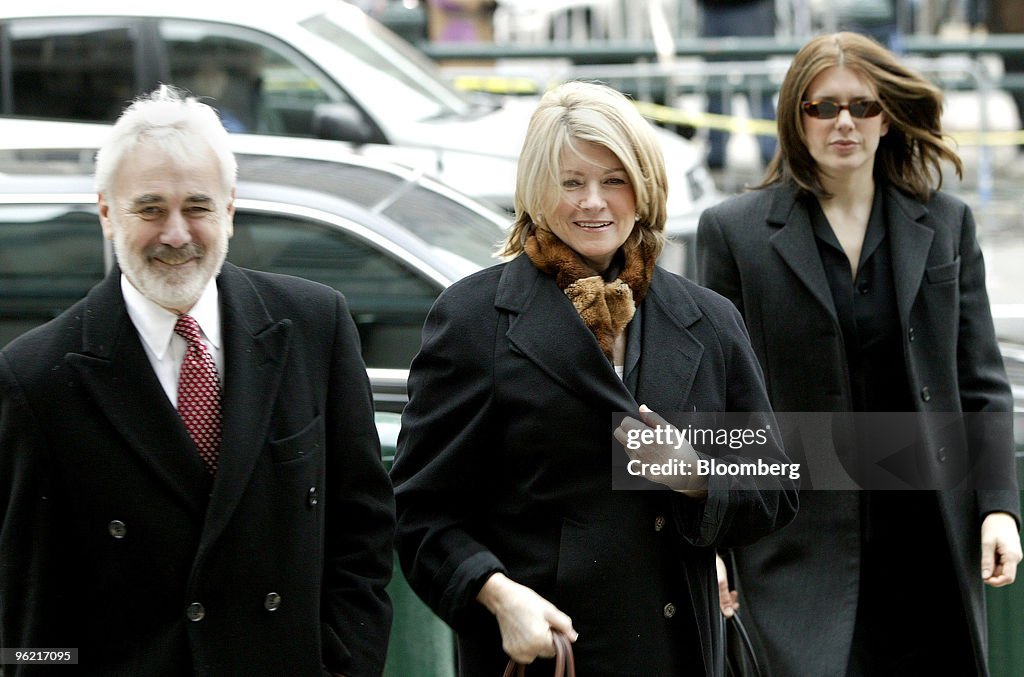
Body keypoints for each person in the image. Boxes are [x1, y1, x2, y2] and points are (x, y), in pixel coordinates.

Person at [390, 80, 797, 676]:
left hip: (675, 654)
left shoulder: (709, 321)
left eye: (613, 180)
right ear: (536, 189)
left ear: (644, 188)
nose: (592, 203)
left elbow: (774, 487)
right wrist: (499, 594)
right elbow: (422, 514)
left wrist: (698, 479)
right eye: (570, 182)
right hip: (548, 655)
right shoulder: (474, 319)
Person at [0, 86, 396, 676]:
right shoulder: (38, 377)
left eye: (198, 207)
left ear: (230, 210)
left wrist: (342, 666)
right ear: (107, 214)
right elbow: (25, 625)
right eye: (151, 208)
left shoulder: (315, 327)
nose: (177, 234)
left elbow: (361, 533)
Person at [698, 32, 1022, 676]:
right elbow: (717, 399)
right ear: (796, 116)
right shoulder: (733, 232)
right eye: (822, 107)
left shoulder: (945, 223)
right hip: (793, 545)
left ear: (887, 116)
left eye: (862, 106)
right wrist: (713, 542)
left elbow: (978, 377)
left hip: (929, 532)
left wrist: (999, 508)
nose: (843, 122)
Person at [695, 0, 778, 170]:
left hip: (750, 9)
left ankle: (771, 155)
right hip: (714, 10)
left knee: (757, 84)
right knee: (716, 86)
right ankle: (716, 153)